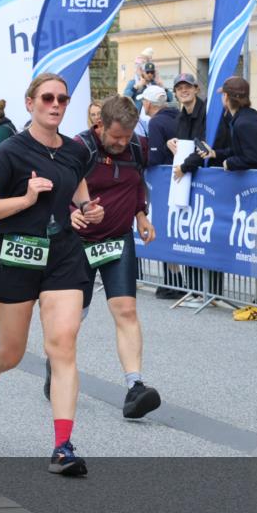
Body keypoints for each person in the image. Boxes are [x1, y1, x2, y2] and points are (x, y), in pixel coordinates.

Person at [0, 72, 104, 476]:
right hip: (15, 257)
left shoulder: (76, 150)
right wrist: (25, 198)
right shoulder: (10, 151)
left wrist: (86, 210)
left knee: (62, 346)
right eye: (47, 97)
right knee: (12, 352)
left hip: (63, 257)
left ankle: (63, 446)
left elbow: (79, 190)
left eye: (62, 98)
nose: (56, 104)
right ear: (30, 104)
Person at [59, 95, 162, 419]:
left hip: (117, 239)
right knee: (75, 316)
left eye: (128, 136)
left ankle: (135, 387)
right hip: (78, 243)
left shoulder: (135, 148)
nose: (122, 143)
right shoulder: (79, 148)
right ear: (99, 124)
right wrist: (71, 213)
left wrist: (142, 215)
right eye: (116, 136)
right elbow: (59, 187)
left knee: (126, 309)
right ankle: (57, 362)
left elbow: (136, 184)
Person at [194, 76, 257, 321]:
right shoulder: (243, 119)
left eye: (223, 95)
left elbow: (254, 157)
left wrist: (228, 163)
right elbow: (240, 151)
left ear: (227, 98)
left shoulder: (245, 123)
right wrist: (217, 153)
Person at [168, 72, 228, 303]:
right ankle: (195, 291)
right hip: (190, 182)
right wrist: (170, 143)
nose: (184, 90)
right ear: (175, 93)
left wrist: (184, 166)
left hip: (209, 180)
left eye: (188, 87)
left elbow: (204, 147)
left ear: (196, 89)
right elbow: (183, 144)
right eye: (179, 87)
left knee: (209, 235)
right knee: (192, 233)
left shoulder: (208, 114)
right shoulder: (180, 116)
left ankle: (211, 293)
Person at [143, 86, 178, 167]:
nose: (142, 103)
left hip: (165, 175)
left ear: (148, 103)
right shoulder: (179, 115)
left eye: (143, 100)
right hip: (181, 172)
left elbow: (154, 159)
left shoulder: (155, 122)